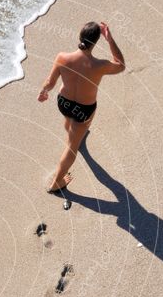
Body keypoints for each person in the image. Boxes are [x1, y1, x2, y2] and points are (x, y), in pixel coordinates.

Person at [37, 21, 125, 193]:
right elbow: (121, 65)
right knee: (71, 147)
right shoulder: (100, 65)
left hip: (64, 103)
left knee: (70, 122)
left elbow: (50, 82)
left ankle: (74, 133)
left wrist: (43, 91)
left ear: (80, 36)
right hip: (84, 110)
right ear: (96, 42)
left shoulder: (62, 57)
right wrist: (110, 39)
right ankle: (57, 182)